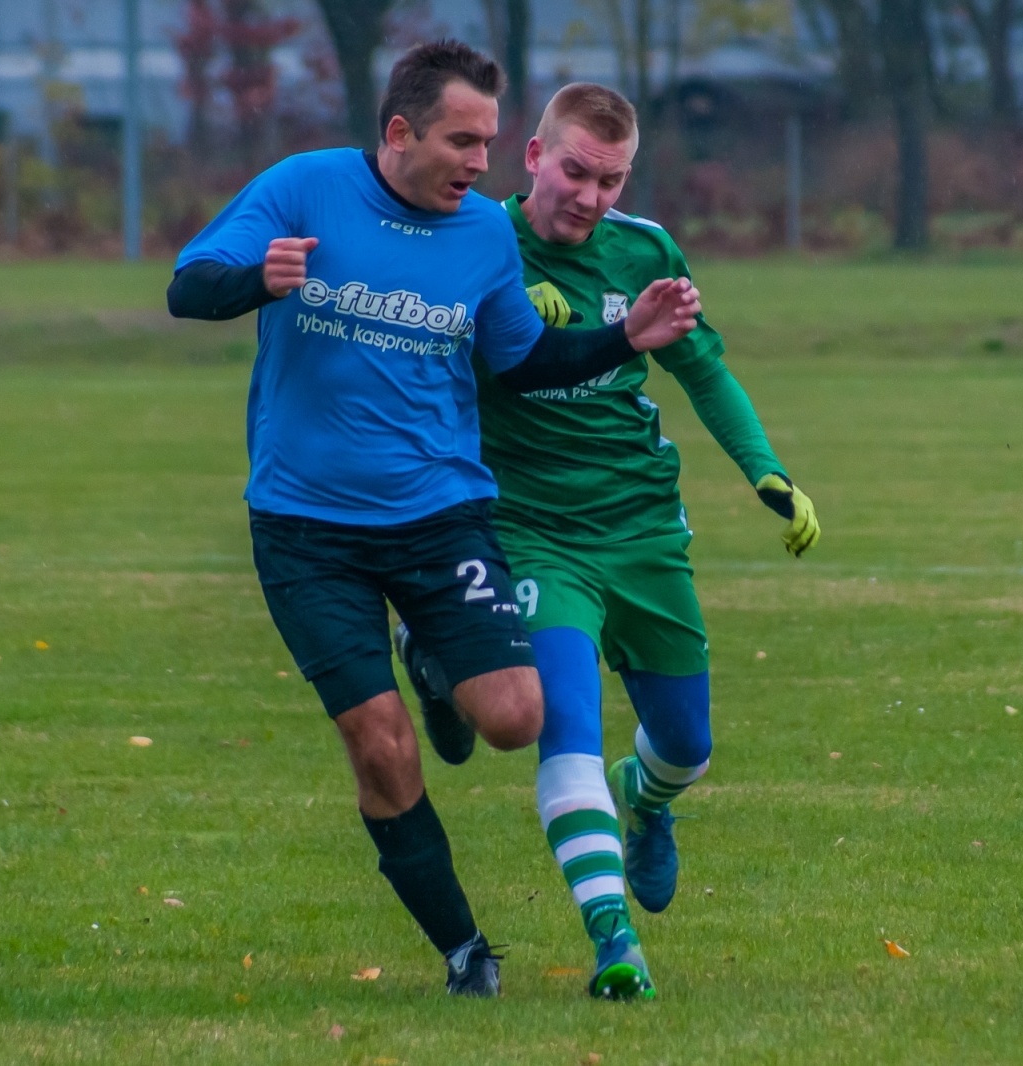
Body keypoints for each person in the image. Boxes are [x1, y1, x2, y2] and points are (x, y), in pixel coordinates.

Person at [165, 43, 701, 998]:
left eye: (489, 142)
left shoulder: (481, 239)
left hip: (441, 518)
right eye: (462, 140)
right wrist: (257, 279)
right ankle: (465, 950)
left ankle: (435, 662)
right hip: (304, 529)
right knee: (380, 742)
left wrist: (625, 337)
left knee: (514, 717)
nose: (479, 162)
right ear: (400, 132)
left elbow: (523, 359)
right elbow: (188, 284)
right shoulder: (304, 190)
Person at [407, 83, 819, 1001]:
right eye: (576, 171)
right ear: (534, 158)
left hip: (641, 530)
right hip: (531, 532)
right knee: (566, 736)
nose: (590, 196)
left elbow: (702, 367)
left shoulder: (645, 251)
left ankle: (651, 802)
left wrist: (766, 470)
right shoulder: (473, 242)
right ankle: (613, 941)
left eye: (611, 179)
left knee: (687, 746)